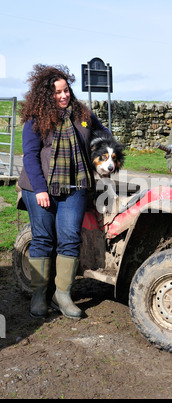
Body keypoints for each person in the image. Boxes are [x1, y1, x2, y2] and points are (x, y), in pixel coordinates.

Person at [18, 64, 110, 319]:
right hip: (40, 190)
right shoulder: (36, 119)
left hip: (75, 187)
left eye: (66, 90)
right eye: (57, 92)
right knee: (43, 239)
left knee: (69, 239)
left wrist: (106, 158)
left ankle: (63, 295)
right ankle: (39, 294)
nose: (63, 96)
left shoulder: (82, 113)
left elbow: (103, 136)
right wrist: (39, 189)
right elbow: (30, 156)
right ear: (46, 95)